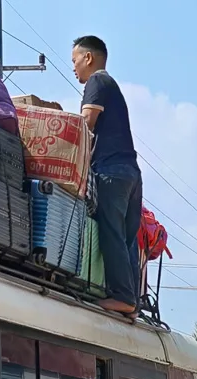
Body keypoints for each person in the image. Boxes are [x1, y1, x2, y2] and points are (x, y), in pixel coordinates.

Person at [71, 35, 143, 317]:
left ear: (88, 58)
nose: (74, 67)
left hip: (111, 170)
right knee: (127, 238)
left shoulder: (97, 82)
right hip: (130, 173)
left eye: (75, 60)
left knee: (112, 232)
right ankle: (132, 300)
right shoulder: (111, 86)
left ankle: (123, 297)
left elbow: (86, 124)